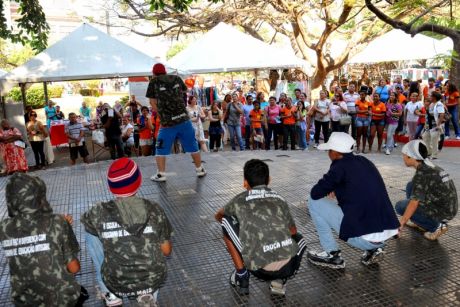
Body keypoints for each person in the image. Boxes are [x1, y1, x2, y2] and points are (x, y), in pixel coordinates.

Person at [81, 158, 172, 306]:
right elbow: (166, 251)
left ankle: (110, 293)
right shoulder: (155, 209)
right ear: (139, 181)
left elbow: (87, 221)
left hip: (115, 280)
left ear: (111, 187)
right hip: (152, 279)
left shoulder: (98, 211)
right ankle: (147, 293)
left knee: (90, 229)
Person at [214, 159, 307, 296]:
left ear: (245, 182)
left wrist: (245, 226)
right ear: (269, 179)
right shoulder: (279, 199)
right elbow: (293, 231)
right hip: (289, 267)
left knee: (226, 221)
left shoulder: (239, 199)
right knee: (297, 238)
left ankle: (242, 276)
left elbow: (218, 216)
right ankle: (279, 280)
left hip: (260, 268)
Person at [307, 132, 399, 268]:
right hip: (384, 235)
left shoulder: (338, 167)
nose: (328, 153)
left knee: (313, 202)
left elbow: (315, 193)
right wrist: (336, 186)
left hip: (363, 238)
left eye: (329, 150)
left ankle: (332, 254)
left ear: (336, 153)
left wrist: (332, 185)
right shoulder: (364, 161)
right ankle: (374, 249)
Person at [0, 173, 89, 306]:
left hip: (25, 302)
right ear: (40, 197)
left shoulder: (4, 228)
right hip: (62, 300)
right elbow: (74, 268)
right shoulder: (57, 223)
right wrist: (62, 227)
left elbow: (29, 233)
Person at [146, 63, 206, 181]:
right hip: (183, 119)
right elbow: (184, 92)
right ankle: (200, 170)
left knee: (160, 147)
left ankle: (161, 174)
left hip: (168, 123)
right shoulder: (177, 78)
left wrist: (161, 116)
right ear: (165, 71)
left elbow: (152, 103)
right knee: (193, 145)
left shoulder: (153, 82)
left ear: (154, 73)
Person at [396, 140, 458, 240]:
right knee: (411, 186)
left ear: (411, 157)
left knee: (400, 206)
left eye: (404, 155)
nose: (403, 158)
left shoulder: (423, 173)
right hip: (448, 206)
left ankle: (437, 226)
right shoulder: (427, 165)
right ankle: (418, 220)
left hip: (443, 212)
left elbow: (413, 203)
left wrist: (401, 223)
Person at [422, 92, 445, 159]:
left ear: (434, 97)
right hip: (429, 125)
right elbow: (428, 115)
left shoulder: (439, 104)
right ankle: (429, 152)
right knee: (425, 137)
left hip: (435, 126)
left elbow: (442, 114)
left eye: (431, 96)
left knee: (434, 140)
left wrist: (438, 125)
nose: (430, 97)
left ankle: (434, 155)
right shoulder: (432, 104)